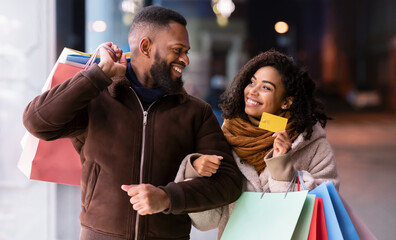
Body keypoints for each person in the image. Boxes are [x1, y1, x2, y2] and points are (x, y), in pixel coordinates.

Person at [23, 6, 242, 240]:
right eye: (177, 50)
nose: (185, 60)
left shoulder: (196, 112)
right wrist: (98, 75)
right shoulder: (97, 98)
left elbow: (229, 182)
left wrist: (168, 198)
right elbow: (37, 122)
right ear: (146, 47)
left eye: (186, 51)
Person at [175, 49, 340, 239]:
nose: (252, 91)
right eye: (252, 82)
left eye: (266, 88)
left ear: (286, 102)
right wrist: (195, 171)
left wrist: (283, 169)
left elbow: (324, 210)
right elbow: (207, 221)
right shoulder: (227, 136)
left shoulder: (313, 145)